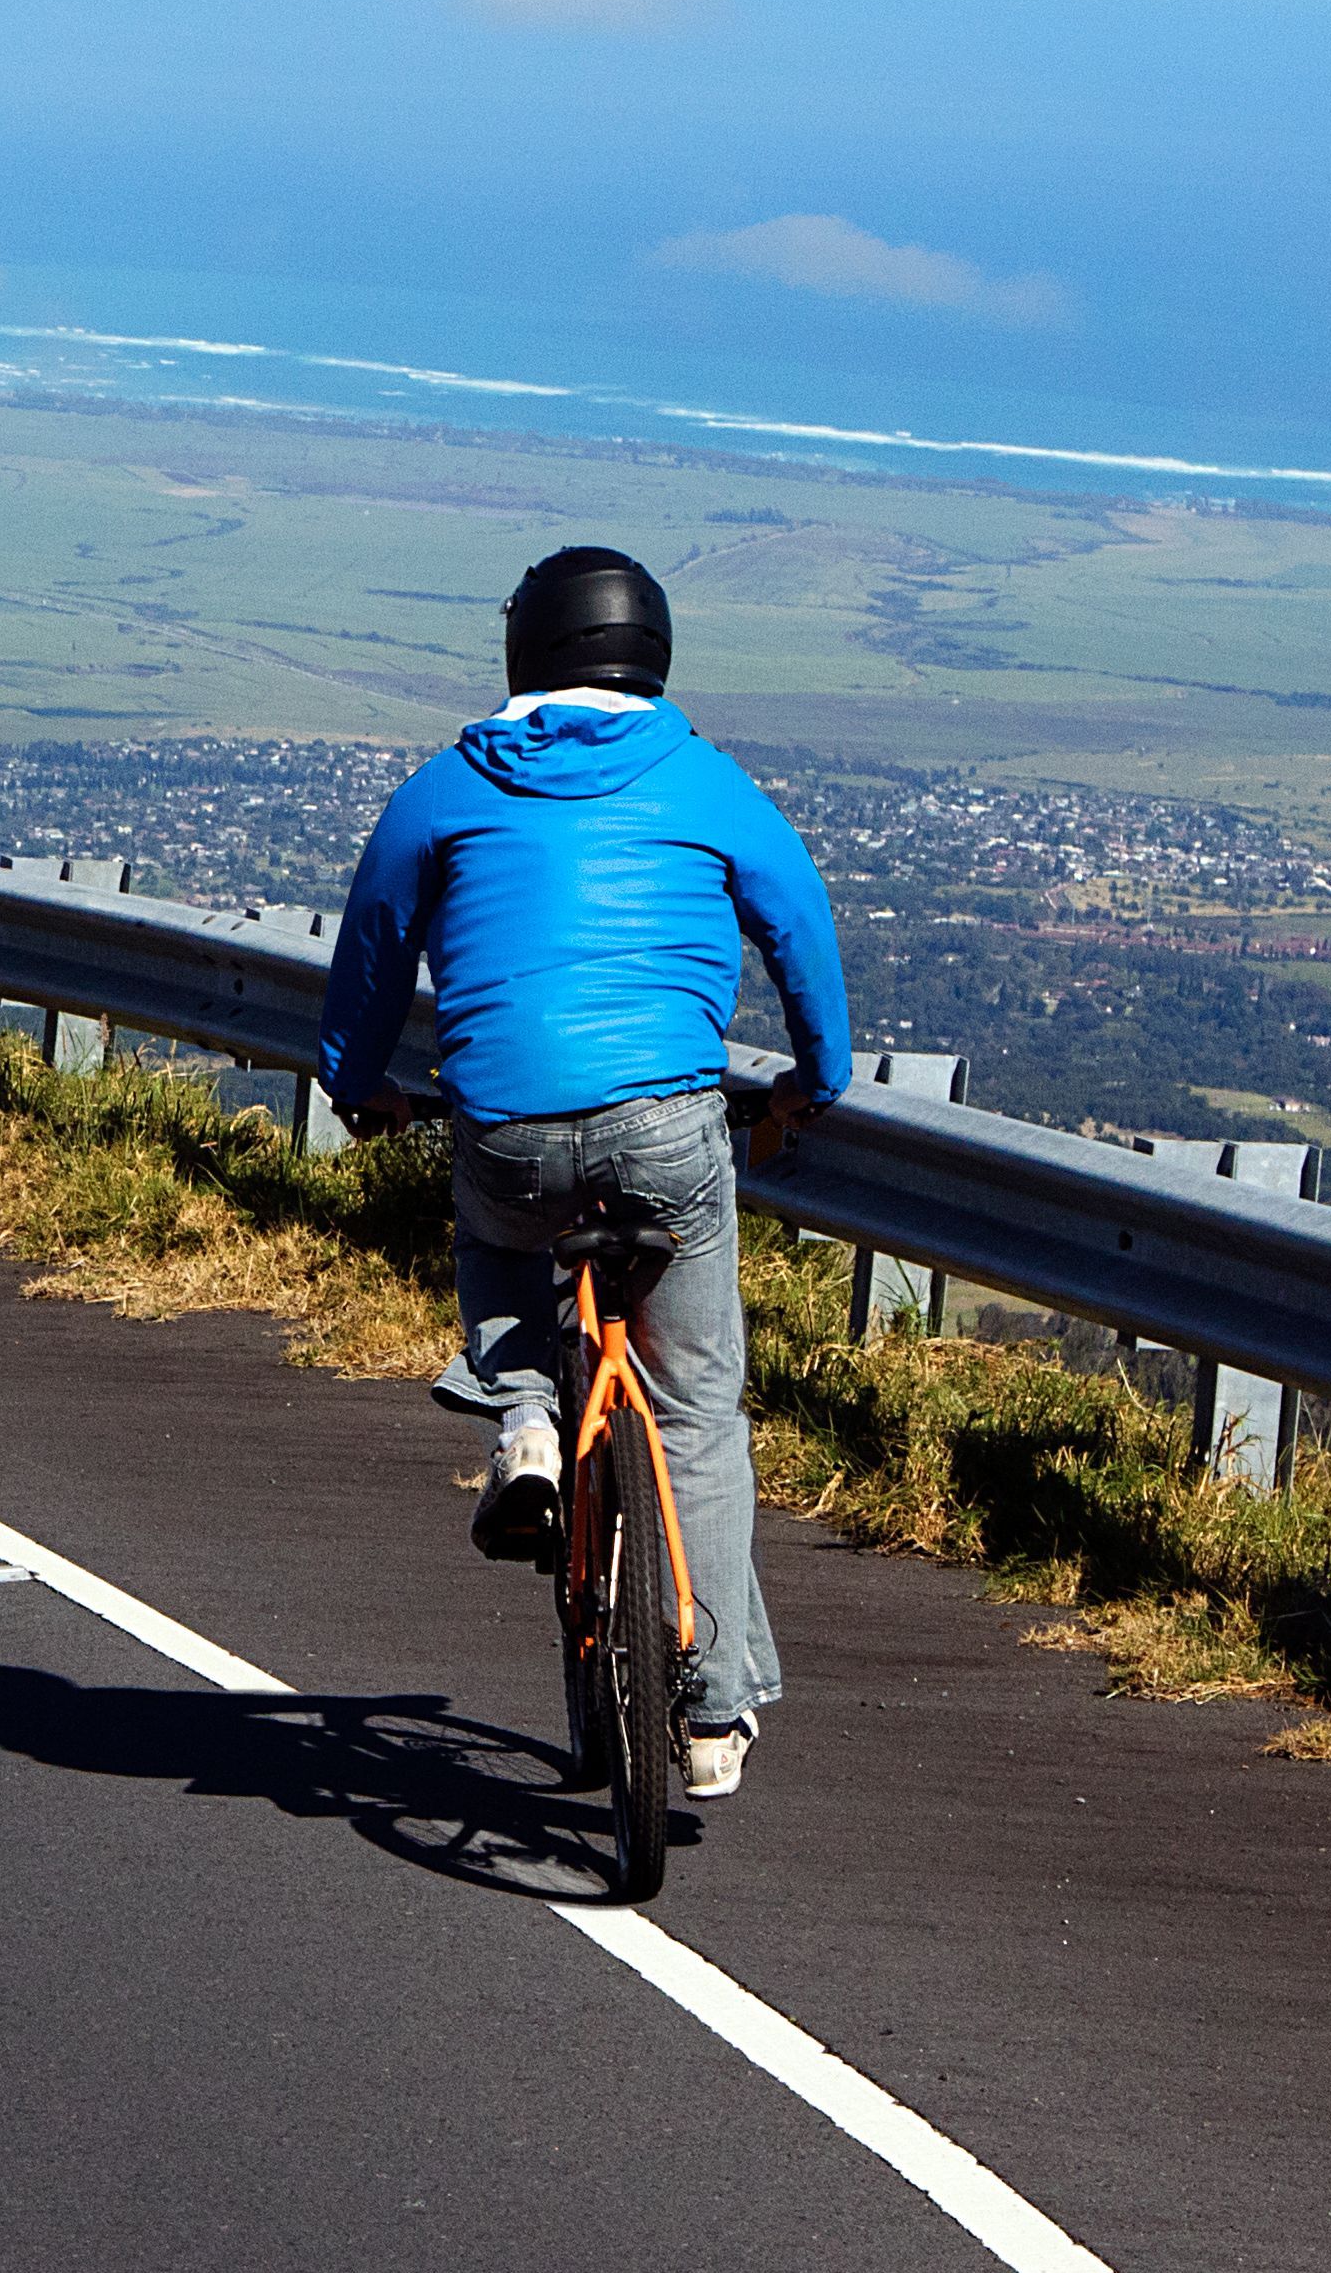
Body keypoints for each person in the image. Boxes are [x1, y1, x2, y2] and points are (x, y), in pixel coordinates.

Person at [316, 545, 852, 1804]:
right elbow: (802, 928)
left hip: (502, 1123)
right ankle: (714, 1715)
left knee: (498, 1231)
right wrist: (811, 1083)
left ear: (527, 652)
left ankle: (525, 1427)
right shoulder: (709, 783)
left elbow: (373, 954)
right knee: (699, 1412)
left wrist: (358, 1085)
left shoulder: (446, 788)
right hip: (667, 1132)